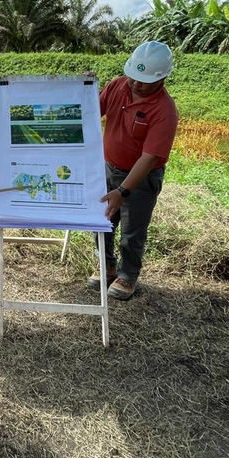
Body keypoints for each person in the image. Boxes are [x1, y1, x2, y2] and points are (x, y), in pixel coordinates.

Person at [88, 41, 178, 300]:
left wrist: (123, 190)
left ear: (161, 78)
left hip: (139, 178)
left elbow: (150, 158)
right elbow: (94, 110)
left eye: (143, 81)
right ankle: (106, 266)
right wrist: (84, 90)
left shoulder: (164, 110)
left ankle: (128, 276)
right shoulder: (118, 85)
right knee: (100, 221)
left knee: (132, 229)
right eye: (133, 77)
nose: (136, 84)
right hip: (107, 167)